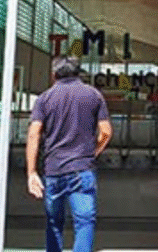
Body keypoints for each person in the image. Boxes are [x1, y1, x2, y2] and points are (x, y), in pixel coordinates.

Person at [26, 56, 113, 252]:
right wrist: (93, 152)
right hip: (82, 169)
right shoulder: (93, 95)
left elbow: (33, 134)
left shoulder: (44, 98)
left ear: (53, 74)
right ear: (78, 72)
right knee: (84, 222)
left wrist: (31, 172)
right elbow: (106, 132)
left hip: (53, 169)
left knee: (54, 222)